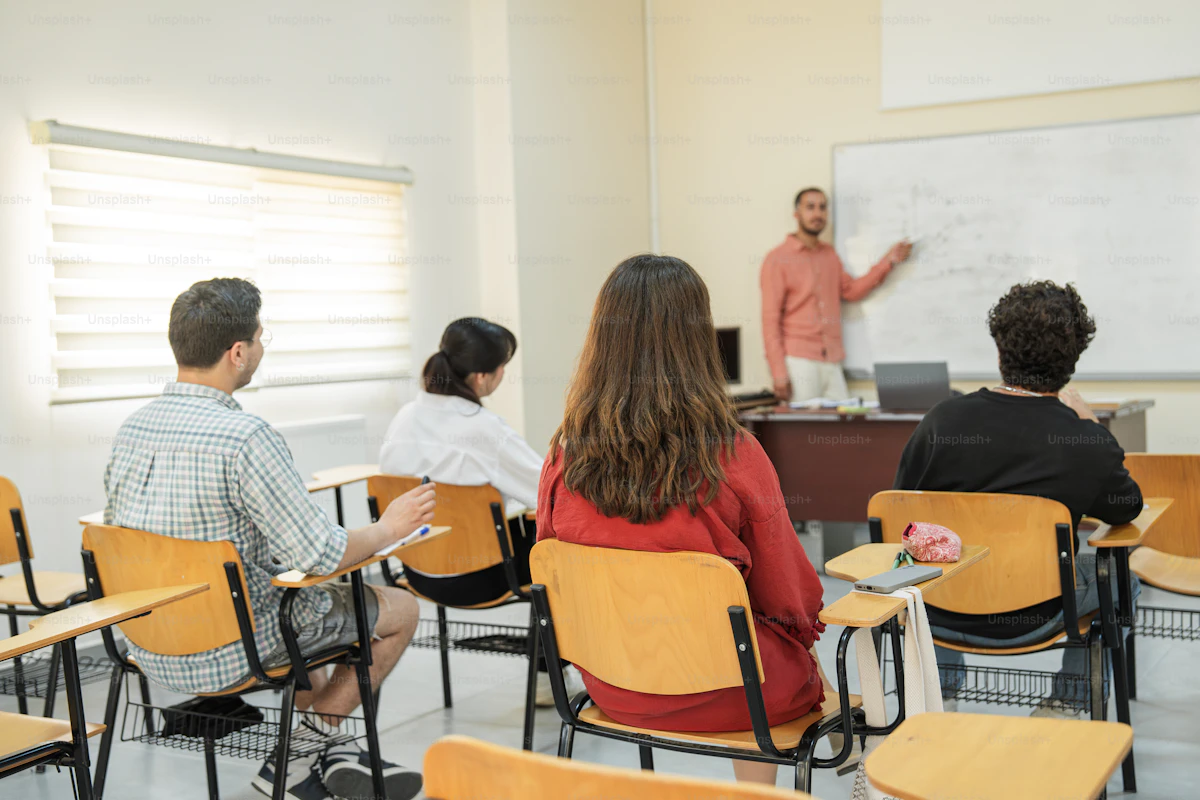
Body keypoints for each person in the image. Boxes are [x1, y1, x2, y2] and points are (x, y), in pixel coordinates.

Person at [105, 278, 433, 800]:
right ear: (238, 352)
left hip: (148, 642)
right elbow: (322, 552)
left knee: (313, 602)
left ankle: (329, 752)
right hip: (232, 648)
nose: (261, 346)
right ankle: (301, 753)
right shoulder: (246, 438)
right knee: (397, 609)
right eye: (261, 337)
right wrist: (389, 528)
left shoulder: (131, 430)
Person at [538, 254, 829, 785]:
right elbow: (789, 594)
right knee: (782, 664)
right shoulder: (735, 453)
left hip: (614, 683)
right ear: (698, 340)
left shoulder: (563, 457)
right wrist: (801, 638)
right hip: (736, 691)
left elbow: (553, 577)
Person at [892, 280, 1142, 717]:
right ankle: (1066, 702)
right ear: (1073, 360)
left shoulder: (942, 419)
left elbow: (902, 510)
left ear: (999, 349)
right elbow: (1126, 508)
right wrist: (1094, 428)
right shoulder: (1082, 439)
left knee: (927, 561)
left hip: (941, 604)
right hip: (1041, 609)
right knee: (1123, 577)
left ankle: (940, 695)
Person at [378, 318, 577, 704]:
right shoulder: (486, 430)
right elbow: (552, 493)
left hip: (417, 573)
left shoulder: (404, 418)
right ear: (484, 378)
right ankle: (548, 676)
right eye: (503, 366)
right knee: (556, 553)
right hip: (481, 578)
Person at [760, 187, 912, 402]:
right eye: (810, 207)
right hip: (799, 362)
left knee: (842, 425)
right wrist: (779, 373)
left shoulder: (829, 255)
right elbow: (770, 321)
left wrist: (888, 261)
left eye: (822, 207)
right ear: (796, 214)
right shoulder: (777, 259)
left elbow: (851, 291)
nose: (817, 214)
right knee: (803, 432)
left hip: (832, 360)